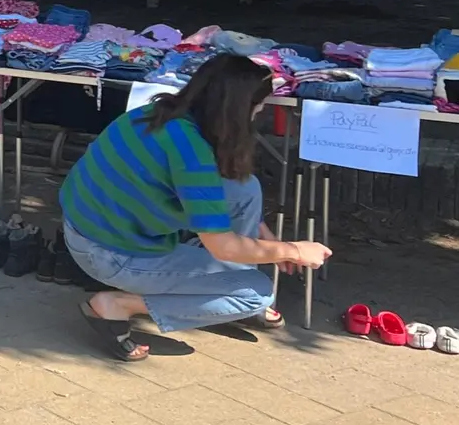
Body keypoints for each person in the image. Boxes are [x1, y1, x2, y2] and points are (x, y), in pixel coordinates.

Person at [65, 55, 329, 360]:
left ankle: (223, 287)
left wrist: (267, 238)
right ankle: (117, 306)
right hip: (110, 254)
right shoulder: (192, 152)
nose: (260, 112)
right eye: (259, 106)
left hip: (91, 229)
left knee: (243, 187)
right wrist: (294, 250)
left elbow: (228, 194)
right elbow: (223, 247)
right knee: (256, 294)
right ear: (237, 109)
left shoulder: (158, 113)